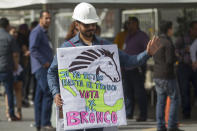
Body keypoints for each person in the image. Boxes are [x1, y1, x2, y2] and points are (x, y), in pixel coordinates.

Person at [47, 2, 160, 131]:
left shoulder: (105, 46)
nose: (91, 27)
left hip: (97, 116)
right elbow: (51, 72)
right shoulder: (67, 49)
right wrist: (55, 93)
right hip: (75, 114)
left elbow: (129, 61)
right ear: (77, 24)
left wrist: (147, 54)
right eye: (87, 24)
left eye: (93, 24)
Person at [153, 21, 183, 131]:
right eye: (172, 28)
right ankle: (172, 125)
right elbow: (170, 60)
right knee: (175, 99)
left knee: (160, 101)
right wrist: (177, 57)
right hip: (168, 75)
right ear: (168, 29)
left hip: (157, 75)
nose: (173, 30)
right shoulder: (168, 43)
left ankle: (160, 126)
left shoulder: (156, 41)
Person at [29, 10, 55, 131]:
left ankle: (39, 124)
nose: (48, 20)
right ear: (40, 19)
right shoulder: (37, 32)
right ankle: (45, 123)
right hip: (41, 68)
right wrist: (44, 61)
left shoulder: (44, 32)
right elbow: (33, 49)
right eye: (46, 18)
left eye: (49, 18)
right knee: (48, 93)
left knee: (39, 96)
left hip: (43, 67)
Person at [123, 16, 149, 121]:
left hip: (137, 69)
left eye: (131, 23)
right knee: (127, 92)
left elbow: (148, 50)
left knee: (139, 93)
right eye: (128, 23)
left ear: (136, 24)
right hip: (126, 68)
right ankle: (128, 113)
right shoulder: (128, 36)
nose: (129, 25)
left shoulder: (142, 36)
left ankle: (143, 115)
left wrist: (141, 62)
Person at [175, 21, 197, 119]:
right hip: (184, 67)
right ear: (191, 29)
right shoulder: (183, 38)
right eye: (195, 29)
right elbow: (175, 51)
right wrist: (185, 50)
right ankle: (186, 113)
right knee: (185, 90)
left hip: (195, 68)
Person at [0, 17, 19, 121]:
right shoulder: (9, 37)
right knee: (9, 92)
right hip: (6, 68)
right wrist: (16, 66)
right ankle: (11, 115)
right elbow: (15, 54)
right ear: (7, 26)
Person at [5, 26, 23, 120]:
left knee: (18, 90)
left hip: (18, 69)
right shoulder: (8, 41)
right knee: (9, 92)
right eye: (13, 32)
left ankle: (18, 111)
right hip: (11, 69)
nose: (15, 34)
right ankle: (8, 111)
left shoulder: (18, 42)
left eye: (16, 32)